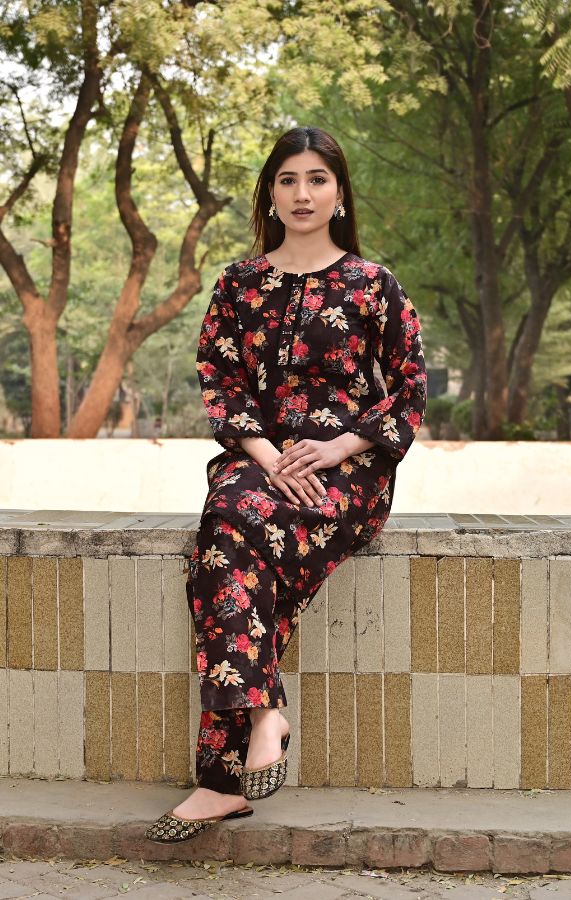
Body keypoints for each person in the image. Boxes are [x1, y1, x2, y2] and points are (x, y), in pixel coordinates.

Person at [146, 125, 427, 844]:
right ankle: (262, 715)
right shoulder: (238, 283)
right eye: (287, 180)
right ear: (269, 194)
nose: (302, 193)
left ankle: (219, 780)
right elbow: (221, 378)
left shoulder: (374, 285)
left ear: (339, 194)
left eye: (317, 179)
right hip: (259, 456)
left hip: (349, 468)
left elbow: (407, 389)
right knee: (232, 519)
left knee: (233, 534)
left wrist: (334, 449)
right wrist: (271, 458)